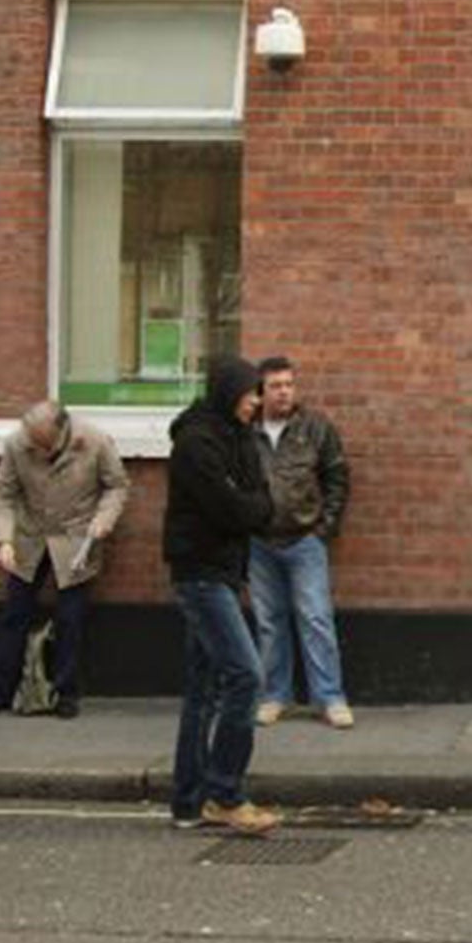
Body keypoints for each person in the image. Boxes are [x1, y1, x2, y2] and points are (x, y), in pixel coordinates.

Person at [164, 356, 281, 835]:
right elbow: (232, 508)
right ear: (229, 391)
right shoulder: (195, 443)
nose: (257, 401)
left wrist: (246, 503)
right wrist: (246, 504)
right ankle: (226, 793)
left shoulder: (241, 439)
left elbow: (262, 505)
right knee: (246, 677)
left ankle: (189, 801)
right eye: (251, 393)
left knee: (203, 691)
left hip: (227, 572)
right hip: (200, 574)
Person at [0, 401, 130, 720]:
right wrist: (3, 541)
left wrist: (105, 519)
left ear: (61, 432)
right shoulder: (16, 443)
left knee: (70, 617)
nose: (35, 450)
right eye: (32, 443)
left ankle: (65, 693)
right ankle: (0, 691)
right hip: (30, 536)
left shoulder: (95, 441)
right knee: (15, 613)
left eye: (42, 444)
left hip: (77, 537)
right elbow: (4, 495)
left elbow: (117, 486)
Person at [248, 356, 355, 730]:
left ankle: (330, 697)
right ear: (260, 392)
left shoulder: (316, 428)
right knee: (269, 622)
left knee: (316, 618)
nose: (284, 392)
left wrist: (323, 529)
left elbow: (337, 478)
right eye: (276, 386)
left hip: (304, 540)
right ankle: (274, 696)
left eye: (289, 384)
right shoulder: (246, 431)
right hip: (259, 543)